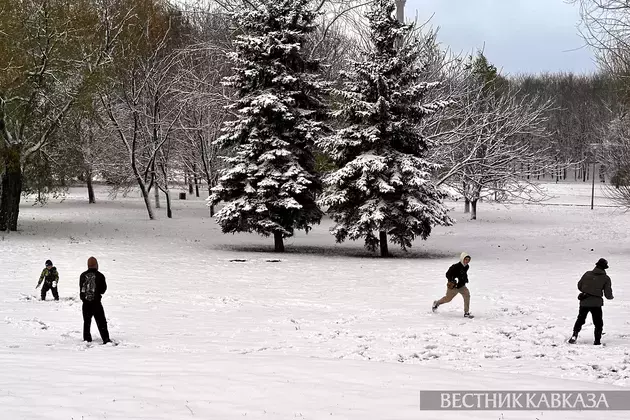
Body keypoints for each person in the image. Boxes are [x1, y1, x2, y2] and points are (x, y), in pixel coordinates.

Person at [568, 258, 613, 345]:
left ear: (596, 265)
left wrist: (587, 290)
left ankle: (574, 335)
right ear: (604, 268)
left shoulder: (587, 274)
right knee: (598, 322)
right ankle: (597, 341)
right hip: (596, 304)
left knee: (580, 319)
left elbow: (579, 286)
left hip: (584, 301)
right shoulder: (606, 278)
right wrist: (610, 297)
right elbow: (608, 294)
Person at [79, 257, 111, 344]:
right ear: (96, 265)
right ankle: (106, 339)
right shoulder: (100, 276)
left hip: (85, 303)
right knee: (101, 322)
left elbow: (81, 289)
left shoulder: (82, 275)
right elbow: (103, 290)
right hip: (96, 303)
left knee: (87, 322)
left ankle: (87, 339)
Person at [432, 252, 473, 318]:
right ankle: (437, 303)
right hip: (453, 287)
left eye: (468, 260)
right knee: (448, 299)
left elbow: (463, 274)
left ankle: (466, 312)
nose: (467, 261)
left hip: (461, 286)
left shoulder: (467, 266)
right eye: (465, 259)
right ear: (462, 259)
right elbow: (447, 274)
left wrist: (465, 279)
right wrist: (452, 280)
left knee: (467, 295)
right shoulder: (455, 266)